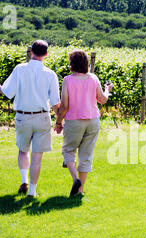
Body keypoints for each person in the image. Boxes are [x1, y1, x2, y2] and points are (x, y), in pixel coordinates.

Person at [0, 40, 60, 198]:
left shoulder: (20, 69)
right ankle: (32, 191)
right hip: (42, 117)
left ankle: (24, 181)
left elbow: (7, 92)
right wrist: (59, 121)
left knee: (23, 151)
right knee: (37, 156)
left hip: (23, 116)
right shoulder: (51, 74)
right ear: (46, 54)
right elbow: (56, 102)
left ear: (31, 52)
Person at [54, 49, 112, 197]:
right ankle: (80, 191)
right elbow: (103, 100)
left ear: (72, 64)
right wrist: (107, 90)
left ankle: (75, 180)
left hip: (74, 121)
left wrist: (58, 122)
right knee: (86, 155)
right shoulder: (93, 78)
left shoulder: (68, 80)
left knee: (68, 151)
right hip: (93, 121)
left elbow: (65, 106)